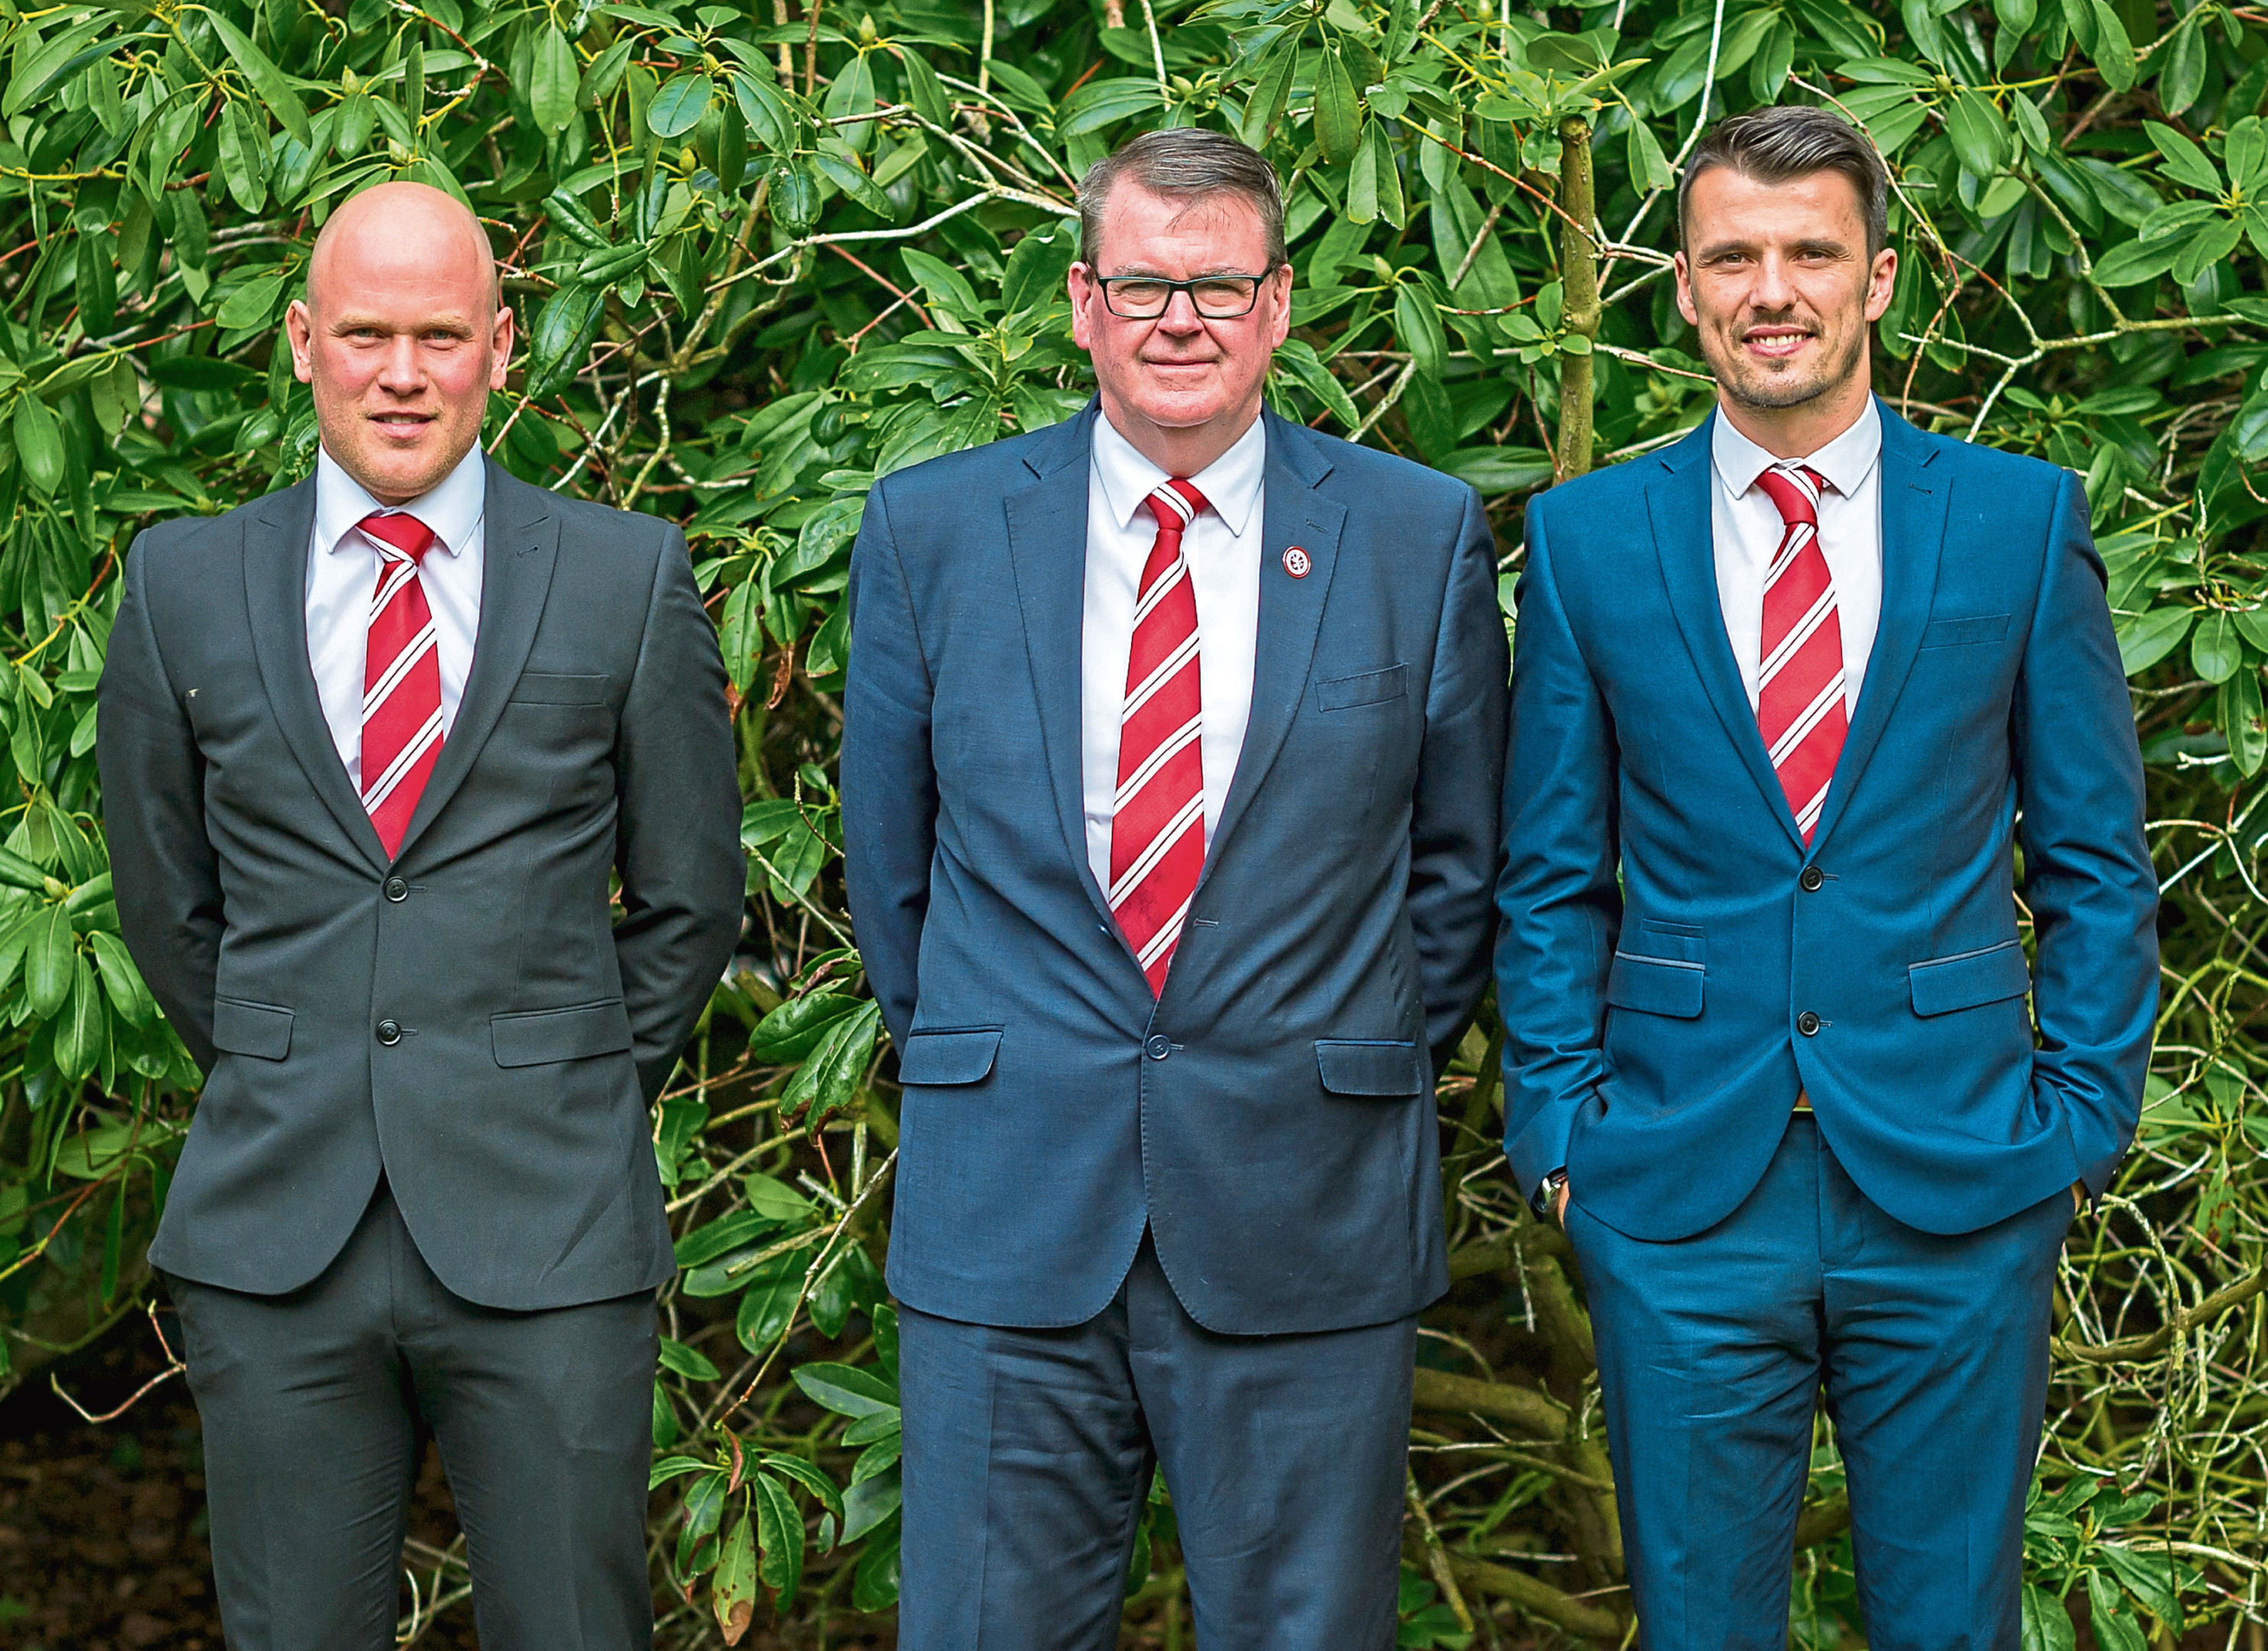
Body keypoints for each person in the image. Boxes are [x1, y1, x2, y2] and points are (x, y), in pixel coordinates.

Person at [1497, 103, 2159, 1649]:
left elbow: (2091, 857)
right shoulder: (1588, 540)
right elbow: (1544, 878)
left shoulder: (2013, 522)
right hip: (1670, 1186)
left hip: (1959, 1172)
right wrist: (1559, 1134)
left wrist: (2076, 1125)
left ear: (1875, 281)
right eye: (1733, 255)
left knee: (1948, 1626)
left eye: (1809, 253)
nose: (1769, 288)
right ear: (1680, 284)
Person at [842, 127, 1507, 1648]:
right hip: (1008, 1203)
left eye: (1217, 285)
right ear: (1080, 303)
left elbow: (1459, 872)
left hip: (1305, 1206)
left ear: (1278, 307)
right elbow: (893, 867)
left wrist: (1332, 1050)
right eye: (1142, 284)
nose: (1179, 320)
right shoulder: (933, 532)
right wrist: (1002, 1044)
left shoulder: (1413, 536)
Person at [99, 180, 745, 1649]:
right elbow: (164, 900)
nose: (404, 372)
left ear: (503, 349)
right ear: (302, 340)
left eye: (441, 335)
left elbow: (693, 897)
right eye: (369, 333)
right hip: (278, 1236)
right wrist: (285, 1053)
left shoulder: (626, 578)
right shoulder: (181, 585)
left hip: (551, 1228)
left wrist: (558, 1078)